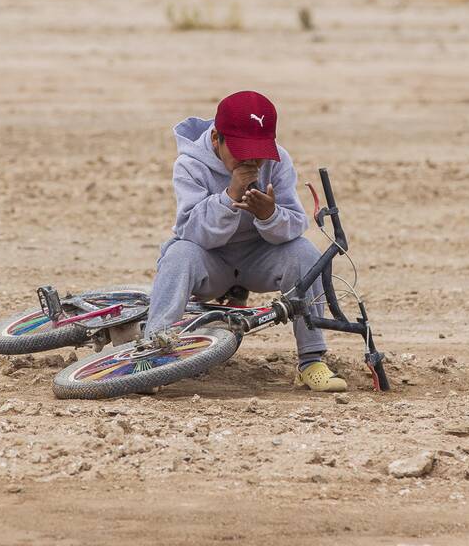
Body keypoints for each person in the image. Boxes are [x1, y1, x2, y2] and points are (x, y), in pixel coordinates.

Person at [144, 90, 347, 392]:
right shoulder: (190, 164)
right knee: (179, 253)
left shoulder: (278, 162)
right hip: (211, 260)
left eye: (259, 151)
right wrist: (229, 197)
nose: (251, 160)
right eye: (240, 150)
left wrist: (270, 215)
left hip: (258, 260)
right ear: (216, 139)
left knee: (304, 252)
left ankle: (311, 360)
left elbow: (295, 224)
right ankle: (152, 353)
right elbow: (190, 231)